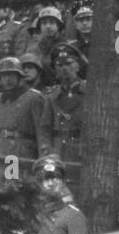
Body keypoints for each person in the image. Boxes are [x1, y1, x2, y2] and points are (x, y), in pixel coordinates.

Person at [37, 42, 87, 199]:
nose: (64, 68)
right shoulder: (51, 96)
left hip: (82, 151)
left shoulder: (89, 91)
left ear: (78, 66)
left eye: (68, 64)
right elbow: (44, 128)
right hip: (59, 152)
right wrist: (48, 151)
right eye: (59, 65)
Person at [0, 56, 43, 186]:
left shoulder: (33, 98)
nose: (8, 79)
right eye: (4, 75)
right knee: (1, 194)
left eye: (12, 75)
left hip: (23, 152)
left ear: (19, 76)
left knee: (21, 193)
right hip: (0, 152)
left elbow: (41, 131)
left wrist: (42, 161)